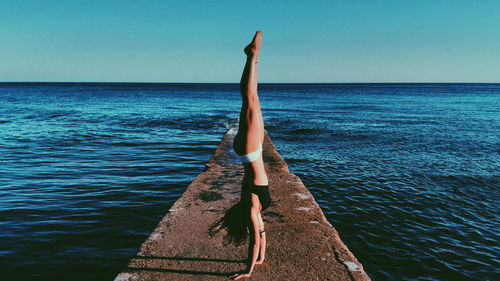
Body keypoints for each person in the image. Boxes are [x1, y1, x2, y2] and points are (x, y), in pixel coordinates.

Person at [209, 31, 271, 280]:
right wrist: (262, 259)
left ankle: (251, 57)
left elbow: (254, 242)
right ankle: (253, 58)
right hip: (253, 151)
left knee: (250, 99)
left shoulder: (251, 207)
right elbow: (262, 236)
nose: (252, 226)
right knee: (253, 100)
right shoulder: (252, 208)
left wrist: (249, 271)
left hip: (249, 152)